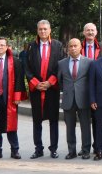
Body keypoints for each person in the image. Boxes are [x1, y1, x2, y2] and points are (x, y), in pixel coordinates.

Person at [25, 19, 65, 159]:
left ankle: (53, 148)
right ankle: (38, 148)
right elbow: (27, 67)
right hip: (36, 89)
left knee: (53, 120)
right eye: (40, 29)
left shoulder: (58, 45)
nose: (43, 31)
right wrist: (36, 83)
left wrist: (50, 82)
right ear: (37, 30)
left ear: (50, 30)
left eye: (45, 29)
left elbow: (60, 65)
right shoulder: (31, 46)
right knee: (37, 120)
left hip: (51, 88)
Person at [0, 38, 26, 160]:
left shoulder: (16, 62)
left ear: (7, 46)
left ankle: (15, 150)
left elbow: (19, 79)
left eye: (2, 45)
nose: (0, 47)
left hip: (10, 99)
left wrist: (18, 96)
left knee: (11, 124)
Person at [57, 38, 92, 160]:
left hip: (84, 99)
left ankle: (86, 150)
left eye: (75, 46)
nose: (72, 48)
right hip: (68, 99)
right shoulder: (61, 63)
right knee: (70, 127)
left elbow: (91, 81)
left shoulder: (89, 62)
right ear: (67, 48)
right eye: (70, 46)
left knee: (85, 127)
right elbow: (59, 80)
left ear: (80, 47)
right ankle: (71, 151)